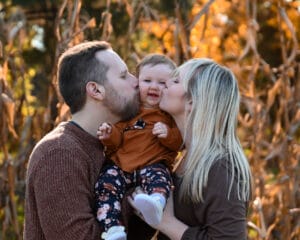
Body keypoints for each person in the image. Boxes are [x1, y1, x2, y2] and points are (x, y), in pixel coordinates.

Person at [24, 41, 140, 240]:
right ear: (95, 90)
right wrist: (139, 198)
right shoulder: (59, 154)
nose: (136, 81)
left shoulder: (112, 145)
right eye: (123, 75)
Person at [130, 58, 253, 239]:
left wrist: (166, 223)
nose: (164, 85)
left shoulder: (220, 167)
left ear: (191, 102)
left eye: (176, 81)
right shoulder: (184, 156)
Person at [95, 54, 182, 240]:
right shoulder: (129, 110)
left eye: (162, 83)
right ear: (137, 83)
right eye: (147, 80)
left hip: (152, 165)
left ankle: (156, 203)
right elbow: (117, 138)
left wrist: (168, 134)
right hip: (121, 166)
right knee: (105, 187)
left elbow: (180, 143)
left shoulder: (169, 114)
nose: (154, 87)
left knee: (161, 177)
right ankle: (113, 229)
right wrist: (109, 135)